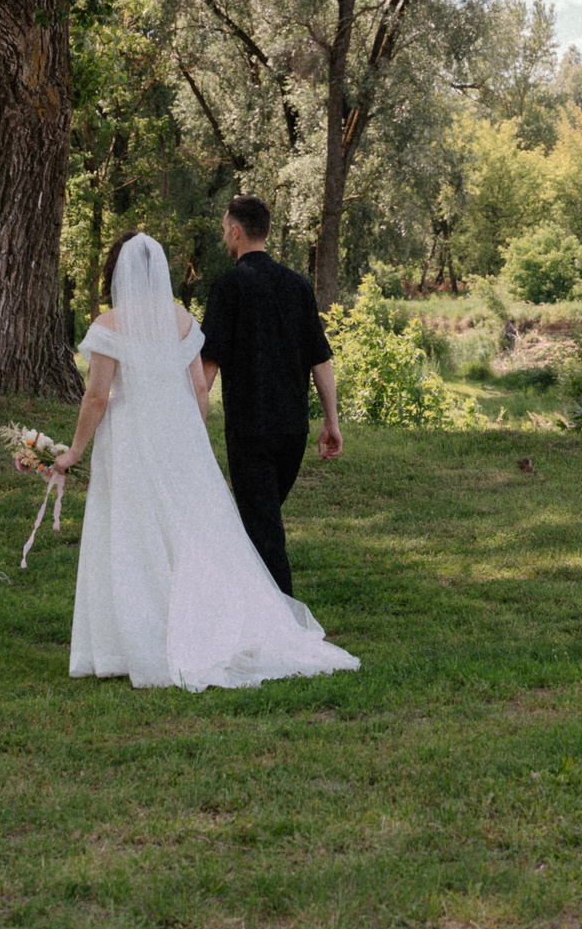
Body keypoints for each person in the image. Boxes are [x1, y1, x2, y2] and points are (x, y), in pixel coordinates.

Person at [50, 232, 357, 691]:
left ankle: (133, 639)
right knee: (193, 530)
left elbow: (97, 396)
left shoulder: (110, 324)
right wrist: (192, 437)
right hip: (179, 434)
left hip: (133, 435)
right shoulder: (181, 320)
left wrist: (73, 451)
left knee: (135, 529)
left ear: (116, 273)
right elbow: (198, 386)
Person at [198, 195, 341, 596]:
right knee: (259, 523)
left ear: (236, 231)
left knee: (263, 531)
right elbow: (321, 362)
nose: (225, 235)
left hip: (250, 431)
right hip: (293, 431)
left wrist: (189, 420)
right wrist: (331, 422)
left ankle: (285, 626)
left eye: (226, 228)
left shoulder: (229, 287)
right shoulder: (297, 285)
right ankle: (239, 605)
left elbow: (208, 367)